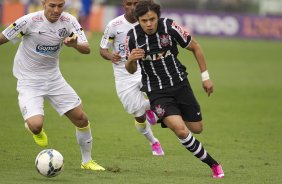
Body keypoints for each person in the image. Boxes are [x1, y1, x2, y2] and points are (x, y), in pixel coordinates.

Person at [0, 0, 105, 171]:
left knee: (81, 118)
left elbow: (86, 48)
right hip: (29, 80)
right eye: (52, 5)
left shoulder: (69, 21)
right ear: (44, 4)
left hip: (53, 78)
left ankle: (87, 161)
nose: (57, 10)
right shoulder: (28, 21)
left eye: (60, 5)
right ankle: (34, 129)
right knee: (36, 125)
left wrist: (75, 44)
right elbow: (3, 37)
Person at [125, 0, 224, 178]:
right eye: (144, 21)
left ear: (158, 17)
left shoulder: (170, 27)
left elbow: (195, 47)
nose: (149, 24)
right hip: (156, 91)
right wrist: (131, 60)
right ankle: (214, 164)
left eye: (152, 19)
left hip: (180, 85)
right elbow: (130, 69)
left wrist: (205, 77)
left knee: (197, 128)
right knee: (180, 130)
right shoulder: (132, 37)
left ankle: (154, 113)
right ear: (138, 20)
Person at [99, 0, 164, 156]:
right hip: (123, 73)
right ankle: (153, 141)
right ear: (124, 5)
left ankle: (152, 107)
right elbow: (102, 49)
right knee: (138, 114)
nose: (133, 7)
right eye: (129, 3)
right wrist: (110, 56)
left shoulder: (149, 23)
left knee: (162, 93)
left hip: (145, 67)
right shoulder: (114, 25)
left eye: (136, 3)